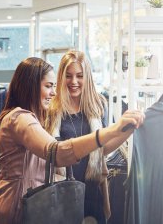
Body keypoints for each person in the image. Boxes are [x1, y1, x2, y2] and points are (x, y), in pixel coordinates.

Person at [0, 57, 144, 224]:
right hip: (18, 206)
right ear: (30, 86)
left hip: (40, 201)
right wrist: (112, 130)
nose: (53, 92)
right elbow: (57, 152)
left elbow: (97, 150)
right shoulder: (21, 118)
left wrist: (124, 131)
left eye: (53, 86)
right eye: (48, 86)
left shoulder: (36, 117)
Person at [45, 50, 111, 223]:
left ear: (87, 77)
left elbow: (104, 149)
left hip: (92, 191)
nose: (74, 82)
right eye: (68, 76)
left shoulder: (99, 106)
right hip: (62, 194)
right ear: (61, 77)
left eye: (79, 76)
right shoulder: (52, 109)